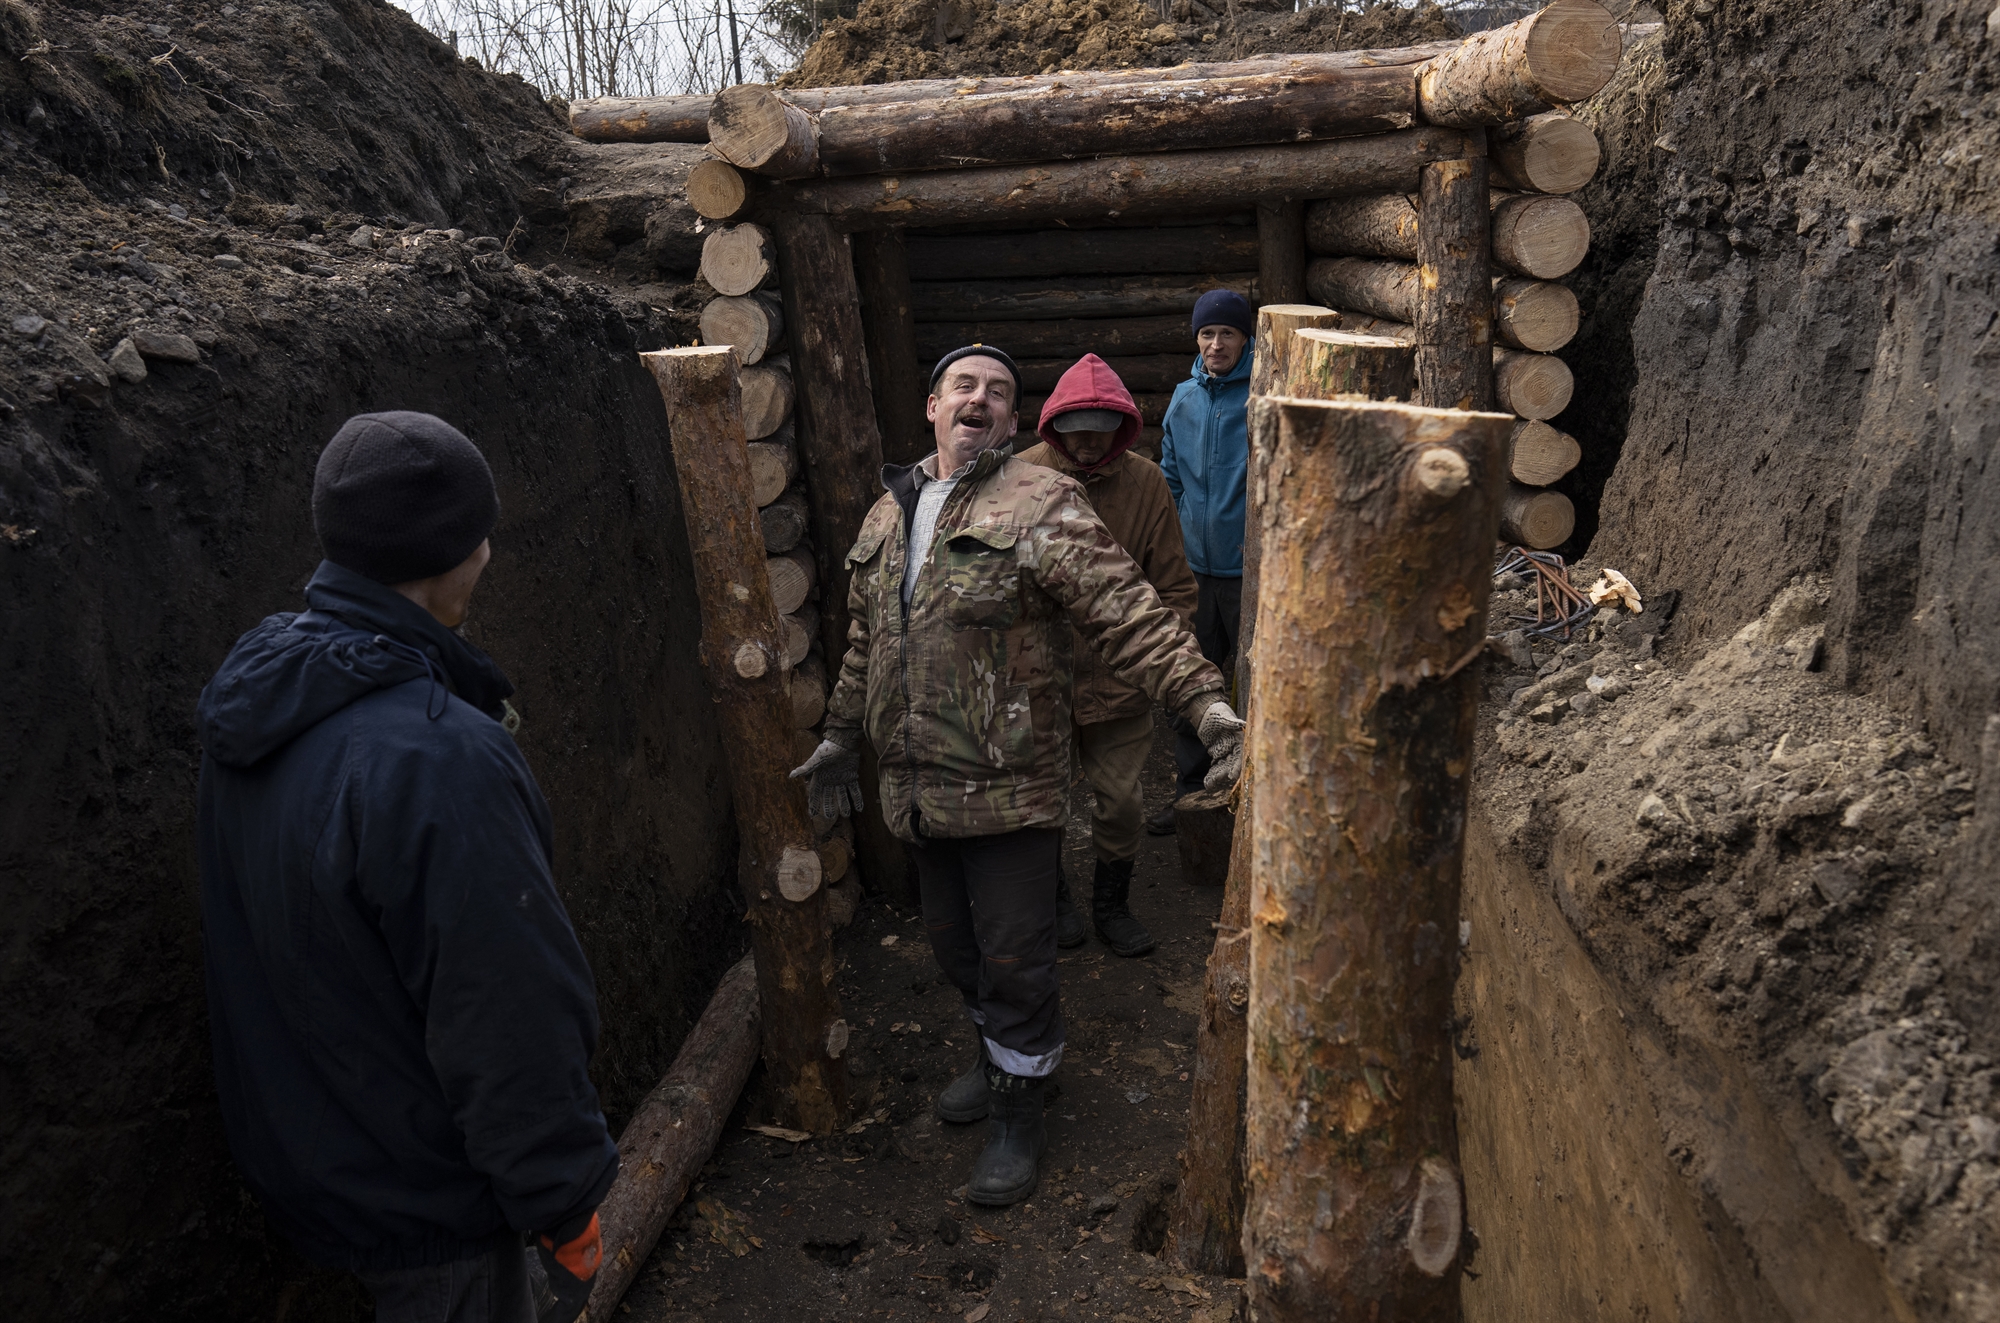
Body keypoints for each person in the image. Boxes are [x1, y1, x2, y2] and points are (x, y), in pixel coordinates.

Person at [790, 347, 1245, 1208]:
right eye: (964, 386)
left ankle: (1018, 1108)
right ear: (933, 406)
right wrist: (841, 736)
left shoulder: (1041, 501)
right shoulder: (888, 514)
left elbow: (1130, 609)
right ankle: (999, 1055)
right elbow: (865, 643)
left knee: (1016, 958)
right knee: (954, 948)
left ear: (1011, 420)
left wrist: (1204, 703)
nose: (981, 398)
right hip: (917, 789)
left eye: (999, 391)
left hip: (1008, 786)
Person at [196, 412, 616, 1323]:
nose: (490, 550)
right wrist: (563, 1195)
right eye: (481, 530)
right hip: (430, 1202)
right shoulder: (439, 758)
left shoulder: (259, 698)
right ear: (452, 551)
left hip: (311, 1159)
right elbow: (505, 1007)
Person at [1016, 354, 1199, 958]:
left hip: (1120, 678)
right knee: (1039, 801)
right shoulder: (1020, 476)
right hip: (1036, 680)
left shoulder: (1146, 483)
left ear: (1122, 425)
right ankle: (1054, 898)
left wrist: (1158, 663)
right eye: (1077, 428)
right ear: (1054, 424)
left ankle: (1111, 903)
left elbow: (1175, 587)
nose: (1089, 441)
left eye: (1101, 427)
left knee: (1120, 803)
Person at [1152, 289, 1255, 834]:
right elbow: (1169, 476)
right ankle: (1191, 794)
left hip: (1250, 572)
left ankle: (1254, 797)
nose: (1216, 344)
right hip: (1194, 570)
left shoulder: (1262, 396)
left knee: (1254, 681)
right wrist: (1176, 543)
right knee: (1194, 683)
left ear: (1246, 339)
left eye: (1227, 333)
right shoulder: (1184, 398)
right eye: (1207, 334)